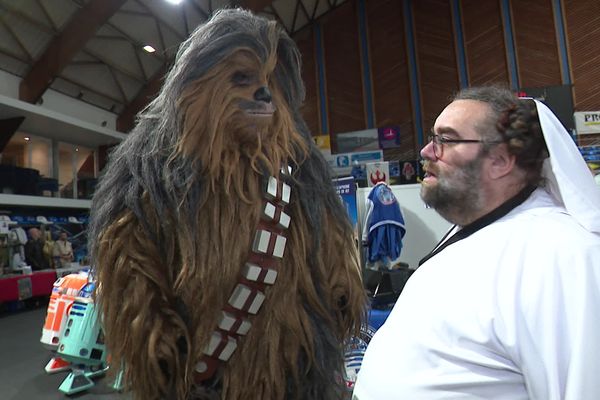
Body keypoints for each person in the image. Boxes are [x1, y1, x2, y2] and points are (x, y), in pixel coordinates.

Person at [353, 86, 600, 399]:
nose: (427, 151)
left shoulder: (564, 256)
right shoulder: (474, 232)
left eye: (447, 139)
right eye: (432, 137)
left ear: (501, 160)